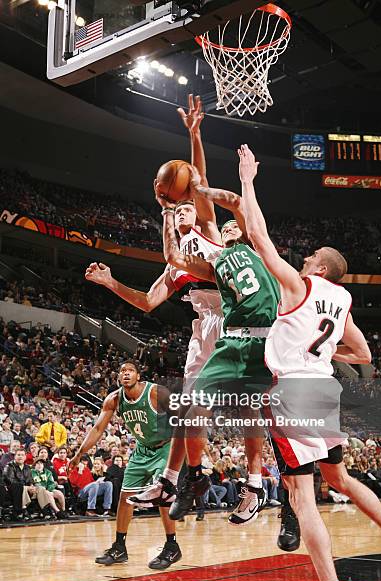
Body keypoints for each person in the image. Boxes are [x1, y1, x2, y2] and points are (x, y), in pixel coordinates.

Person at [237, 143, 381, 581]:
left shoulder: (300, 283)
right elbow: (365, 352)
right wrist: (330, 351)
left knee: (302, 494)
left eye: (312, 256)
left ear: (320, 268)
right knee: (339, 476)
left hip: (293, 390)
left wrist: (248, 181)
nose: (306, 258)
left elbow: (258, 235)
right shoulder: (343, 301)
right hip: (323, 390)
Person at [150, 165, 300, 551]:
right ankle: (195, 475)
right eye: (227, 231)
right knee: (192, 404)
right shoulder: (217, 262)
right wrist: (167, 210)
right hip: (231, 342)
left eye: (233, 229)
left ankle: (275, 497)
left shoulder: (258, 246)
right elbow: (174, 257)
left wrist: (201, 187)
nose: (230, 231)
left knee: (278, 428)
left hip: (268, 342)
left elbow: (234, 202)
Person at [85, 95, 224, 511]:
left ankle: (262, 485)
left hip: (237, 315)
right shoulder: (175, 263)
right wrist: (111, 284)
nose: (184, 213)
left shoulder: (210, 229)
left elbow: (198, 181)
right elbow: (147, 303)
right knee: (187, 408)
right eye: (177, 209)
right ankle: (184, 479)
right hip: (205, 325)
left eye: (186, 209)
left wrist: (195, 135)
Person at [68, 361, 180, 570]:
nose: (125, 374)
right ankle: (119, 547)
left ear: (138, 375)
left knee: (163, 493)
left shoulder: (156, 392)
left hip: (165, 447)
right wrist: (79, 454)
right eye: (122, 371)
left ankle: (172, 546)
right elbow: (98, 428)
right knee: (125, 497)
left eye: (130, 371)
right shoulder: (114, 399)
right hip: (142, 449)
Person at [3, 448, 36, 520]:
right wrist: (26, 487)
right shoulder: (9, 466)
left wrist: (32, 486)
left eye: (22, 455)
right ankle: (23, 510)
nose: (20, 456)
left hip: (26, 488)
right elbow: (10, 481)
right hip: (12, 489)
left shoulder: (27, 467)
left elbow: (31, 480)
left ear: (25, 457)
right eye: (18, 455)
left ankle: (46, 511)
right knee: (21, 487)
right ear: (15, 456)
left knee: (41, 489)